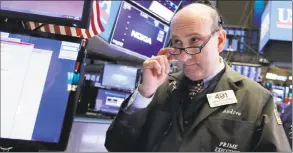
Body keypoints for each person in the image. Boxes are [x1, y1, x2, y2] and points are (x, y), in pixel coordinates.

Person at [104, 1, 291, 152]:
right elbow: (116, 145)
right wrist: (144, 94)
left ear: (219, 40)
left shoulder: (256, 99)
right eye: (177, 42)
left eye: (194, 40)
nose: (184, 57)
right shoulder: (157, 88)